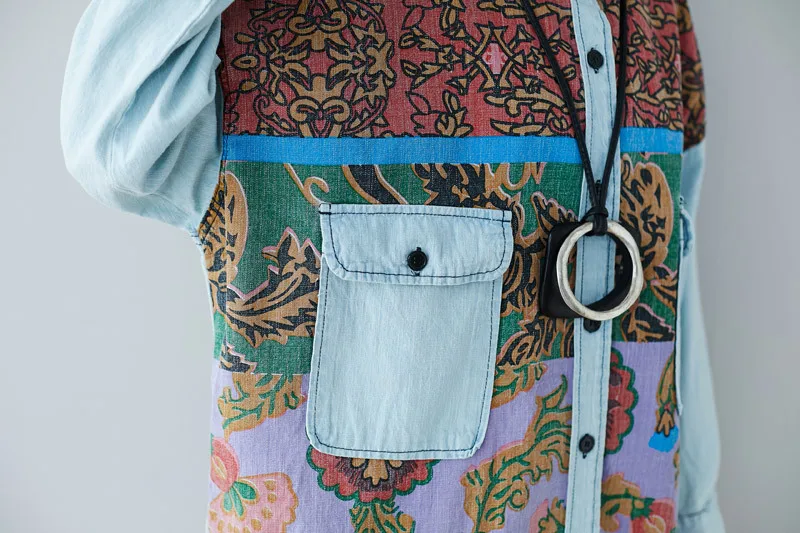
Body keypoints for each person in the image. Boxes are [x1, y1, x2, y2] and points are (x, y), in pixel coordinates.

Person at [60, 1, 724, 532]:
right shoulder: (261, 21)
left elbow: (673, 270)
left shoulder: (653, 16)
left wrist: (697, 511)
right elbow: (108, 140)